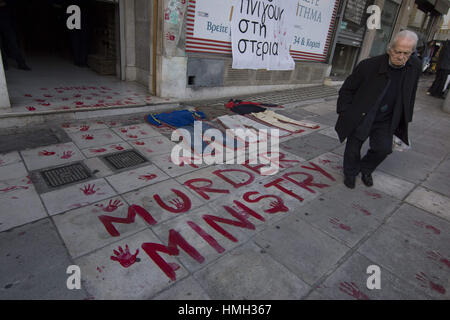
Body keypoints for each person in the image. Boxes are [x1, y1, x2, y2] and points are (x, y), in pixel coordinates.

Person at [335, 30, 421, 189]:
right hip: (363, 114)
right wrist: (344, 111)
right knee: (353, 148)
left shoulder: (414, 66)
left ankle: (365, 169)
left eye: (406, 53)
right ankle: (350, 173)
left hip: (387, 118)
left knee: (384, 149)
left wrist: (406, 116)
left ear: (412, 52)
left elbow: (411, 91)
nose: (401, 57)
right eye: (398, 52)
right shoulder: (369, 65)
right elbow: (347, 90)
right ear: (390, 49)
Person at [0, 0, 31, 70]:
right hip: (4, 10)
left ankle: (21, 62)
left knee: (11, 40)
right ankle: (4, 64)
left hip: (4, 11)